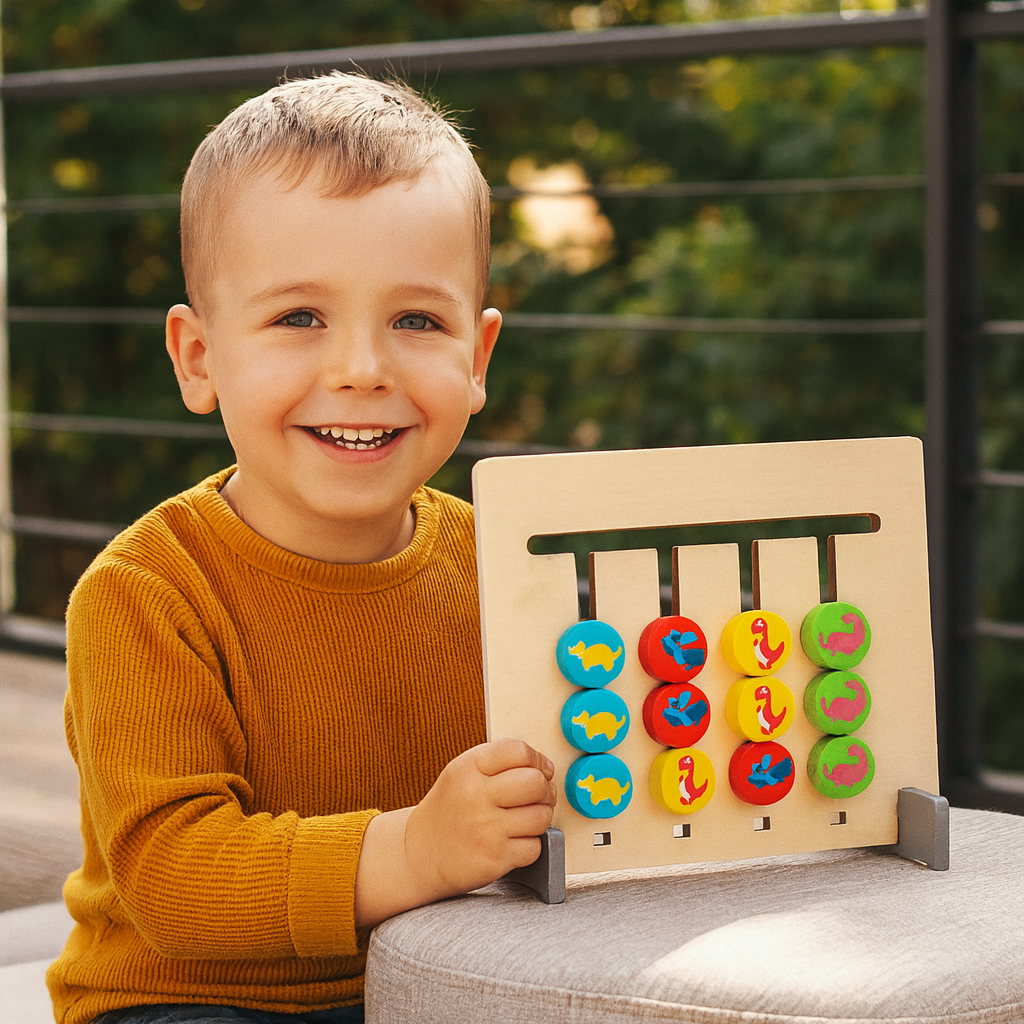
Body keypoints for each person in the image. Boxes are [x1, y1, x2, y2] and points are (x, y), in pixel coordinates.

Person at [47, 72, 557, 1024]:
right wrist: (413, 850)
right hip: (187, 1000)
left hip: (434, 981)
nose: (361, 369)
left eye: (416, 321)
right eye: (298, 318)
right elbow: (175, 879)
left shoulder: (503, 563)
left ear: (478, 358)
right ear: (199, 358)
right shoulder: (144, 592)